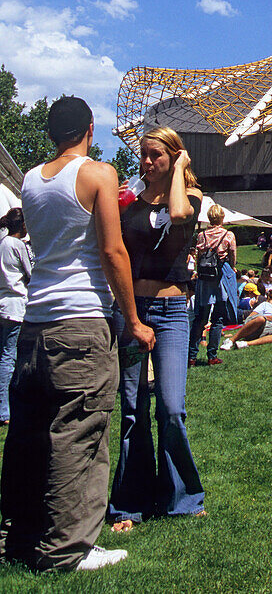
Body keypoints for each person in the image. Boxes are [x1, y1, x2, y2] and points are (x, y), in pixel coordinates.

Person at [0, 96, 155, 572]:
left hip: (35, 323)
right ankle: (68, 549)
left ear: (50, 132)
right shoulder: (98, 174)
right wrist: (132, 320)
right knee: (79, 434)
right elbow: (112, 251)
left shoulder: (28, 179)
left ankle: (17, 537)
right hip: (82, 321)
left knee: (27, 436)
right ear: (91, 127)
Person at [108, 127, 204, 533]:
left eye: (155, 156)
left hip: (172, 312)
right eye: (143, 156)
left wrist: (180, 169)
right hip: (133, 310)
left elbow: (180, 214)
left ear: (174, 157)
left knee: (171, 407)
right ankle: (129, 503)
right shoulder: (128, 203)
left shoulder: (191, 198)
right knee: (132, 409)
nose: (146, 163)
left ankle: (183, 495)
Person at [188, 204, 237, 366]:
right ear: (222, 218)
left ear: (209, 218)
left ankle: (192, 356)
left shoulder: (201, 235)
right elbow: (233, 256)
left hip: (204, 277)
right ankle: (212, 355)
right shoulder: (228, 235)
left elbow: (200, 254)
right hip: (220, 277)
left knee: (200, 318)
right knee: (218, 318)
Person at [0, 209, 32, 426]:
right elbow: (31, 273)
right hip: (15, 306)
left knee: (4, 354)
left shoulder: (2, 244)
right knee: (10, 357)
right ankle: (5, 410)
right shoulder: (17, 245)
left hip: (3, 304)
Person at [220, 285, 272, 349]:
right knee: (261, 319)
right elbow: (249, 318)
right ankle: (231, 340)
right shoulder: (266, 305)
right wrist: (271, 318)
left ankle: (246, 344)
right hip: (258, 327)